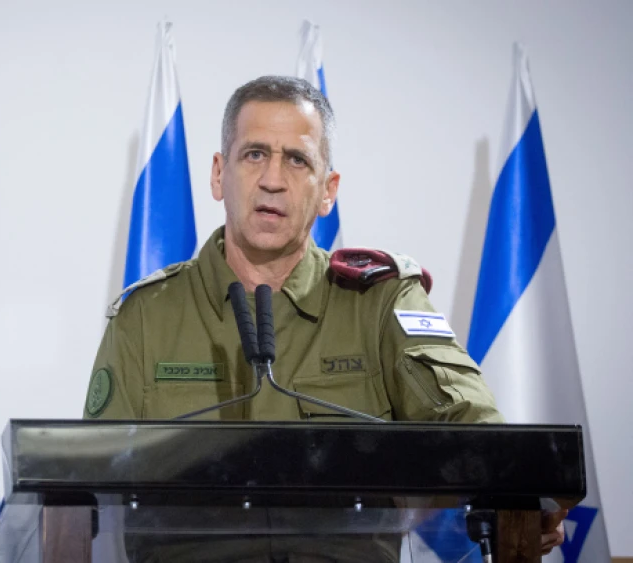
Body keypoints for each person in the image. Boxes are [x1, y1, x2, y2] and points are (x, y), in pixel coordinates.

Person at [84, 75, 565, 560]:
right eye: (254, 154)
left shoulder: (380, 302)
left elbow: (476, 431)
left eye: (297, 160)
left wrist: (527, 498)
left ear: (327, 190)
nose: (273, 178)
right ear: (217, 174)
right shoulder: (145, 317)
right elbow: (85, 488)